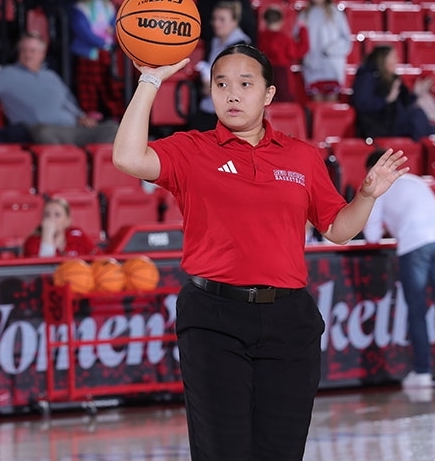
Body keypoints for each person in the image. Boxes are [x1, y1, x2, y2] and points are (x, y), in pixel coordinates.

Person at [111, 43, 409, 461]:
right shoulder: (191, 150)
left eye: (245, 84)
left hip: (289, 322)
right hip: (213, 320)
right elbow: (126, 156)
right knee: (223, 452)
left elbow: (338, 230)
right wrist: (150, 79)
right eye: (221, 84)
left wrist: (366, 195)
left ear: (268, 94)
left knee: (280, 453)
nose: (232, 94)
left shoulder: (302, 157)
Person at [362, 148, 435, 390]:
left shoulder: (378, 187)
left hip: (415, 243)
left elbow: (371, 234)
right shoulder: (416, 180)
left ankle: (423, 372)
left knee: (417, 310)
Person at [0, 32, 118, 146]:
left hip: (74, 130)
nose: (28, 55)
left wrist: (82, 117)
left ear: (42, 54)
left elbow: (69, 103)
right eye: (24, 50)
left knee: (113, 128)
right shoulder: (6, 75)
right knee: (43, 133)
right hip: (43, 132)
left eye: (32, 51)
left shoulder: (51, 76)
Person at [351, 45, 435, 141]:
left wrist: (416, 93)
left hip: (394, 121)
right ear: (383, 59)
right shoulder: (367, 77)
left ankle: (428, 151)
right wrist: (386, 100)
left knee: (428, 125)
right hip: (378, 125)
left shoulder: (394, 78)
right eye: (394, 57)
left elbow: (405, 104)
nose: (398, 60)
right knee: (417, 117)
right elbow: (362, 105)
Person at [69, 0, 124, 119]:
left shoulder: (109, 7)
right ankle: (89, 112)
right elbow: (82, 31)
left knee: (109, 83)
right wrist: (101, 42)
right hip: (88, 53)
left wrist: (110, 36)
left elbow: (114, 26)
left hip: (105, 53)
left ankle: (115, 113)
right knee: (88, 85)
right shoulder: (81, 8)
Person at [189, 1, 251, 131]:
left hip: (227, 110)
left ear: (235, 22)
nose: (216, 23)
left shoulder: (242, 46)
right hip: (209, 105)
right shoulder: (215, 41)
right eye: (215, 19)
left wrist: (213, 87)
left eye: (222, 20)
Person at [296, 0, 352, 102]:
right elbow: (297, 36)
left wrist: (332, 50)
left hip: (332, 65)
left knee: (332, 101)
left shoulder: (336, 14)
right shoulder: (305, 14)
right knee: (317, 102)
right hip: (312, 65)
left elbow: (346, 40)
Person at [257, 5, 309, 102]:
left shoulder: (260, 38)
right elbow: (299, 50)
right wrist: (303, 30)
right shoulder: (284, 39)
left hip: (265, 73)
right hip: (282, 75)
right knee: (283, 102)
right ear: (281, 21)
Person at [23, 197, 99, 258]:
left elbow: (98, 257)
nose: (51, 218)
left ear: (67, 221)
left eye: (57, 215)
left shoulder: (77, 235)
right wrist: (47, 236)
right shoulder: (32, 242)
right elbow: (43, 270)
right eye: (47, 215)